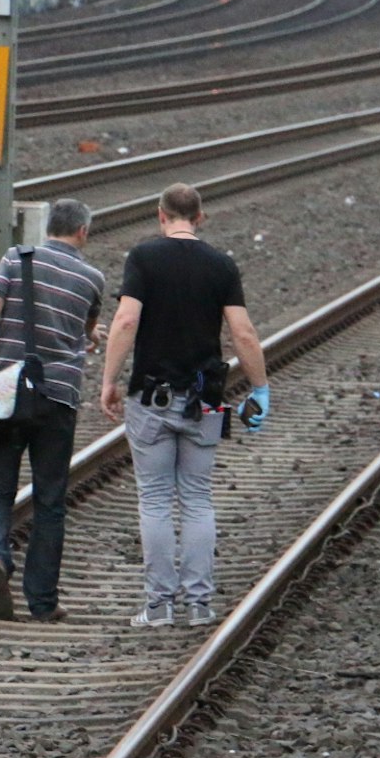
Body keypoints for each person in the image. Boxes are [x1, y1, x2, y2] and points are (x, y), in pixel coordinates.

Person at [98, 183, 269, 629]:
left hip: (150, 397)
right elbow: (243, 333)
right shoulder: (221, 265)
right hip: (206, 400)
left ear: (160, 215)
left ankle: (158, 607)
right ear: (200, 218)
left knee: (154, 499)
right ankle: (199, 605)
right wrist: (260, 386)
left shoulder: (143, 258)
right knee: (197, 499)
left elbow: (126, 319)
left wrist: (109, 380)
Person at [0, 198, 107, 623]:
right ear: (82, 232)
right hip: (58, 397)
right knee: (49, 501)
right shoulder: (92, 278)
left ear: (48, 227)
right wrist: (90, 337)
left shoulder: (15, 258)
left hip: (6, 392)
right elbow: (83, 330)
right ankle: (43, 603)